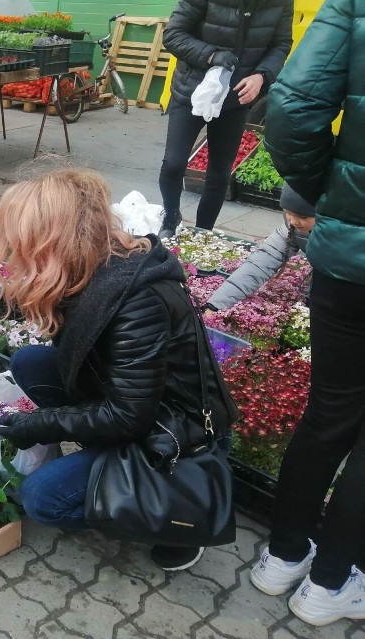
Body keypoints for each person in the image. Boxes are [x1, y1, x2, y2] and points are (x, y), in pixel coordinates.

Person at [0, 168, 239, 571]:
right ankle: (98, 457)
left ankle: (176, 524)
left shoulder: (136, 300)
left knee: (42, 499)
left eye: (22, 238)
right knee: (29, 362)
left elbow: (131, 416)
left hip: (174, 435)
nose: (12, 247)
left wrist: (40, 425)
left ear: (54, 237)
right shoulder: (88, 262)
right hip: (131, 404)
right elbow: (12, 298)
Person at [247, 0, 365, 627]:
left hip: (345, 261)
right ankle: (332, 583)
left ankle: (282, 557)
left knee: (327, 413)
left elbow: (290, 108)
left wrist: (329, 193)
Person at [158, 0, 293, 237]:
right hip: (191, 91)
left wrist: (262, 75)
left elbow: (281, 44)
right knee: (174, 163)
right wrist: (211, 55)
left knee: (220, 172)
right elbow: (173, 34)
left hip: (235, 99)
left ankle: (203, 232)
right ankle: (170, 217)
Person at [204, 183, 314, 312]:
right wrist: (215, 305)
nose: (293, 221)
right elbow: (261, 263)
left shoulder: (342, 237)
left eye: (303, 216)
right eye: (288, 212)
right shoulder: (291, 228)